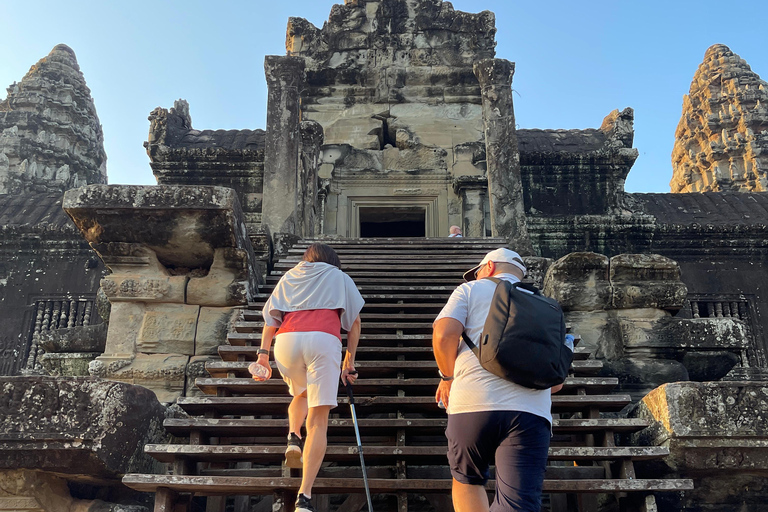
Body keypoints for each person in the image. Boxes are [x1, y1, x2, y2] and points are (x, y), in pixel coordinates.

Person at [432, 248, 564, 512]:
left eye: (478, 272)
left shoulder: (470, 290)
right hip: (531, 412)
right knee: (519, 503)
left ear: (489, 267)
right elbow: (556, 381)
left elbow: (444, 334)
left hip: (473, 403)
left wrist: (447, 377)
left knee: (467, 481)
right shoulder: (548, 306)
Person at [253, 242, 364, 512]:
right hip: (323, 339)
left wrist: (262, 355)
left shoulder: (289, 275)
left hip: (286, 341)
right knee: (318, 419)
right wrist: (348, 362)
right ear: (332, 260)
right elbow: (355, 324)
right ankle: (304, 497)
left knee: (300, 393)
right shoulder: (339, 277)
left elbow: (271, 320)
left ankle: (292, 436)